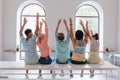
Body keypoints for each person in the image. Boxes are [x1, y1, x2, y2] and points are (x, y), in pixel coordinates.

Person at [19, 13, 40, 78]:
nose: (32, 33)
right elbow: (37, 29)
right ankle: (39, 74)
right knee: (40, 59)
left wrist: (24, 23)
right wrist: (37, 19)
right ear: (29, 34)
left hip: (27, 61)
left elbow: (20, 32)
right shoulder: (33, 39)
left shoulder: (23, 40)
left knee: (27, 60)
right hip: (35, 60)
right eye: (31, 32)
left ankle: (27, 74)